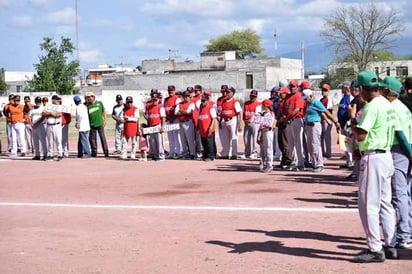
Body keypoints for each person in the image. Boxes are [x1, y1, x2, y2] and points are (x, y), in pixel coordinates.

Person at [351, 71, 398, 263]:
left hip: (373, 157)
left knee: (368, 205)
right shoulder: (387, 104)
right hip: (387, 155)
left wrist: (352, 121)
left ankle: (375, 248)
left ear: (362, 89)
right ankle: (390, 244)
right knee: (386, 203)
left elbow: (361, 135)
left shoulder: (371, 107)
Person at [379, 76, 412, 249]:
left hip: (400, 150)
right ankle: (407, 231)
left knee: (399, 194)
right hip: (405, 150)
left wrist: (410, 153)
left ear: (388, 92)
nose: (380, 91)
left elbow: (400, 133)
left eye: (383, 89)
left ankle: (403, 235)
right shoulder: (401, 106)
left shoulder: (394, 107)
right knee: (405, 192)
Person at [302, 89, 340, 172]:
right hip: (308, 126)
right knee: (310, 146)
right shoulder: (308, 103)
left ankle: (319, 164)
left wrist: (335, 122)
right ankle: (314, 163)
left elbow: (325, 112)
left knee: (315, 145)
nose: (305, 100)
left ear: (311, 96)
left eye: (306, 98)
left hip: (314, 125)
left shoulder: (316, 103)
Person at [280, 80, 305, 171]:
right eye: (291, 86)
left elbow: (297, 110)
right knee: (291, 143)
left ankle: (300, 163)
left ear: (297, 87)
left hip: (296, 120)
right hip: (289, 121)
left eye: (294, 86)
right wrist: (284, 117)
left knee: (298, 142)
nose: (292, 88)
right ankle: (294, 162)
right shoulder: (288, 96)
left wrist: (286, 118)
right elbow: (283, 109)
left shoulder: (299, 96)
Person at [219, 87, 243, 159]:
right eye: (226, 92)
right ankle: (225, 154)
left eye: (228, 92)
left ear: (232, 93)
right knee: (226, 138)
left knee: (233, 137)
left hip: (232, 120)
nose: (227, 93)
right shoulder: (223, 101)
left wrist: (240, 124)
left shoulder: (235, 102)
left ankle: (234, 154)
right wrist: (220, 122)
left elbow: (240, 112)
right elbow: (222, 113)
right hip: (224, 120)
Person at [86, 91, 109, 158]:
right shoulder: (87, 106)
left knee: (102, 138)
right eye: (88, 97)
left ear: (93, 97)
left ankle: (106, 152)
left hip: (100, 123)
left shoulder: (99, 103)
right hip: (92, 124)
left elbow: (104, 111)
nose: (89, 98)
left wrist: (105, 120)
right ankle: (94, 152)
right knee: (92, 139)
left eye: (90, 97)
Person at [145, 91, 166, 161]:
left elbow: (163, 117)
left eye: (156, 100)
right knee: (153, 141)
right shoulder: (149, 108)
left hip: (158, 125)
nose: (154, 101)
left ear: (158, 100)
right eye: (153, 99)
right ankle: (155, 155)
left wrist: (162, 126)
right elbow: (148, 117)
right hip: (151, 126)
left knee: (159, 142)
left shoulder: (160, 107)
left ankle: (161, 155)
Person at [175, 90, 196, 159]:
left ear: (189, 97)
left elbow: (189, 112)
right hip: (181, 122)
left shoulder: (191, 103)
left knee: (190, 139)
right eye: (185, 96)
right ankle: (185, 153)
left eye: (187, 96)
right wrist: (183, 112)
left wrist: (181, 111)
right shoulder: (180, 104)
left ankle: (192, 153)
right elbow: (176, 113)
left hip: (188, 122)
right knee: (182, 139)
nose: (186, 98)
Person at [338, 81, 354, 169]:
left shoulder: (350, 98)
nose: (341, 89)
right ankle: (348, 161)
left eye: (343, 87)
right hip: (342, 124)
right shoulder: (343, 98)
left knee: (349, 144)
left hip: (347, 124)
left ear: (347, 88)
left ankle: (351, 162)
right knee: (345, 145)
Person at [276, 87, 293, 169]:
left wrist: (283, 119)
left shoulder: (286, 102)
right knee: (280, 143)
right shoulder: (280, 102)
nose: (279, 94)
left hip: (285, 123)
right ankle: (284, 158)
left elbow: (287, 113)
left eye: (281, 93)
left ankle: (288, 160)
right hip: (280, 123)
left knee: (285, 142)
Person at [197, 90, 217, 161]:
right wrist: (198, 125)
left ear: (208, 101)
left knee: (209, 143)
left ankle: (210, 156)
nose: (202, 102)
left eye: (204, 101)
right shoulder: (200, 107)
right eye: (202, 101)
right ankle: (205, 155)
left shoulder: (210, 108)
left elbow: (214, 118)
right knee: (204, 142)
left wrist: (211, 127)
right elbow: (199, 116)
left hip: (208, 128)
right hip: (202, 128)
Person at [257, 99, 276, 173]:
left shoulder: (270, 114)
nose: (262, 106)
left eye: (263, 105)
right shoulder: (266, 114)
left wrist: (262, 127)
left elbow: (270, 125)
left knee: (268, 149)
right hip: (265, 132)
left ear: (266, 106)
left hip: (268, 132)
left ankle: (269, 166)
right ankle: (266, 164)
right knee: (264, 149)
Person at [163, 85, 182, 159]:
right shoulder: (166, 100)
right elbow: (164, 110)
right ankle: (171, 152)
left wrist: (173, 118)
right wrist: (168, 118)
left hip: (175, 120)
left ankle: (178, 152)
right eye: (169, 90)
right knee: (170, 137)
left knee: (176, 137)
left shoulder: (177, 99)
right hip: (168, 120)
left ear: (174, 91)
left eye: (172, 90)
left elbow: (178, 110)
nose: (171, 92)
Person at [42, 95, 63, 161]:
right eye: (55, 99)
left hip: (57, 125)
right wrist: (51, 113)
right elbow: (43, 114)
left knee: (58, 140)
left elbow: (58, 114)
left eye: (57, 99)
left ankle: (60, 154)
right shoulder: (48, 106)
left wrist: (50, 113)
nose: (57, 100)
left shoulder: (59, 106)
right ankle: (50, 154)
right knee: (50, 141)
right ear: (53, 100)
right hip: (49, 125)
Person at [242, 90, 261, 159]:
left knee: (255, 137)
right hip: (247, 122)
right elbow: (243, 112)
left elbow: (258, 115)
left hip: (255, 123)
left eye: (254, 96)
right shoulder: (246, 103)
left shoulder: (259, 104)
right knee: (246, 138)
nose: (252, 97)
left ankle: (255, 152)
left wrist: (251, 120)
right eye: (251, 96)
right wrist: (244, 120)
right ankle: (247, 152)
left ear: (256, 97)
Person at [319, 84, 335, 159]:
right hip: (321, 120)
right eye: (322, 90)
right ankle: (323, 152)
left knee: (327, 137)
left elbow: (328, 111)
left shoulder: (329, 99)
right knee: (321, 137)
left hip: (327, 120)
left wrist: (327, 119)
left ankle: (328, 153)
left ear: (328, 91)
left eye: (325, 90)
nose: (323, 91)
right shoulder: (321, 100)